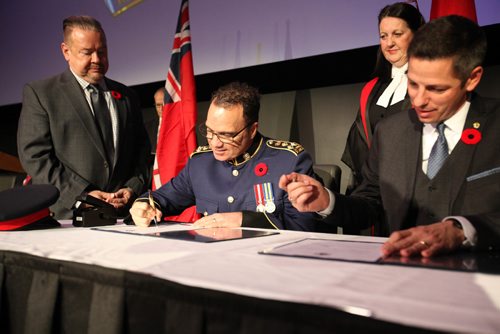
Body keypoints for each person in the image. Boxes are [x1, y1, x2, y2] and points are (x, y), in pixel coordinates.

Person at [279, 15, 500, 257]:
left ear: (472, 78)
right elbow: (369, 204)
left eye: (436, 89)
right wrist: (326, 200)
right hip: (402, 276)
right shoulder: (391, 131)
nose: (419, 100)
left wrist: (461, 230)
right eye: (413, 84)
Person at [130, 82, 319, 231]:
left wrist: (243, 220)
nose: (215, 143)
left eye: (227, 135)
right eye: (210, 131)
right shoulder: (200, 163)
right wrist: (142, 206)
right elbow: (162, 199)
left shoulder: (288, 162)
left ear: (252, 130)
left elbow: (304, 230)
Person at [17, 16, 151, 219]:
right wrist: (82, 195)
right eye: (87, 52)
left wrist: (131, 188)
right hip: (68, 217)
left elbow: (141, 152)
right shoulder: (42, 93)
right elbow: (36, 158)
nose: (97, 59)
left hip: (121, 216)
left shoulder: (127, 96)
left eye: (102, 51)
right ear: (66, 51)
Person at [342, 2, 425, 193]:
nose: (389, 43)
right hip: (377, 190)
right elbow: (360, 144)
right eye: (383, 36)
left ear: (418, 34)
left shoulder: (427, 86)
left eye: (397, 34)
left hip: (416, 188)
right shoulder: (371, 89)